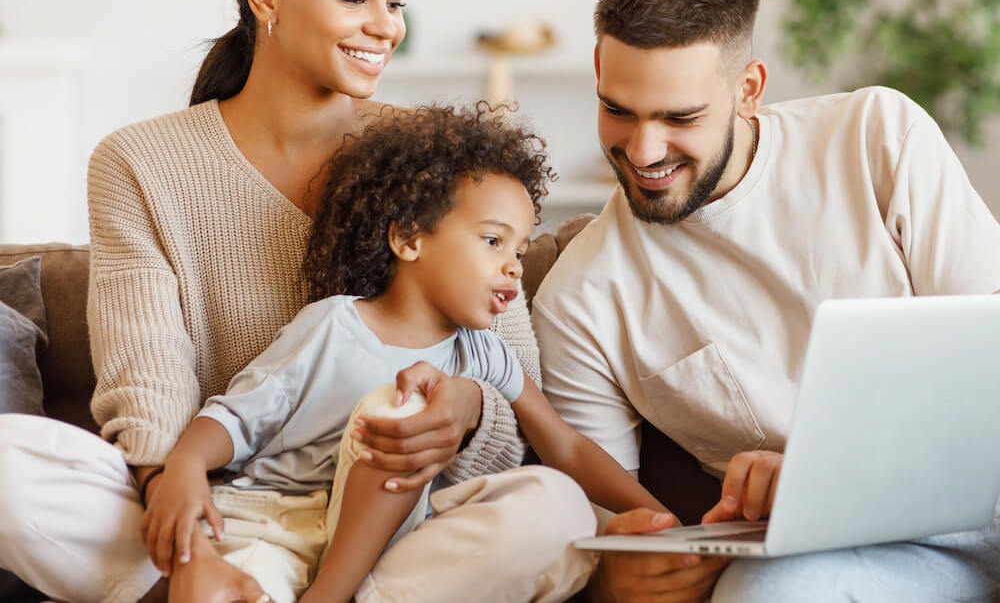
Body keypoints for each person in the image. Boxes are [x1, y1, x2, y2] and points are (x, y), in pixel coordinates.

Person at [0, 0, 592, 603]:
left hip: (400, 523)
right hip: (221, 506)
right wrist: (183, 518)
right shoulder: (139, 162)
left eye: (396, 1)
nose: (386, 25)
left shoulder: (441, 159)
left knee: (554, 513)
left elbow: (514, 378)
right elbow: (148, 384)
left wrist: (464, 413)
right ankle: (217, 583)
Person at [532, 0, 1000, 603]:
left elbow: (990, 358)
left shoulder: (875, 138)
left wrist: (825, 471)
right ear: (601, 70)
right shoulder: (579, 297)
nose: (643, 150)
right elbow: (613, 532)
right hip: (863, 562)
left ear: (748, 90)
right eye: (618, 109)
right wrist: (615, 579)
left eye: (681, 117)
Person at [142, 105, 662, 603]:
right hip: (272, 526)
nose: (514, 267)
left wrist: (668, 523)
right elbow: (235, 420)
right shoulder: (334, 326)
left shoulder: (485, 354)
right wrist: (185, 466)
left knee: (563, 508)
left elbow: (565, 446)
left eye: (520, 250)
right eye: (492, 241)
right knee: (404, 403)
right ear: (409, 239)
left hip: (393, 549)